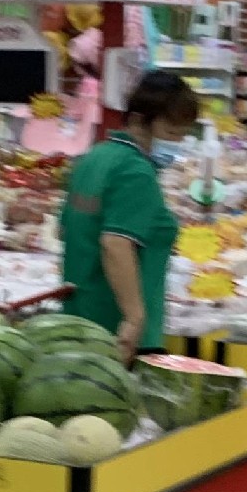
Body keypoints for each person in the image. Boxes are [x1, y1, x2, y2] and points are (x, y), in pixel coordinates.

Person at [58, 68, 199, 360]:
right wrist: (134, 318)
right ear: (137, 121)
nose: (176, 143)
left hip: (79, 315)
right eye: (170, 133)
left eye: (182, 134)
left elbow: (65, 229)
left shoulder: (94, 157)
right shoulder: (136, 171)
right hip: (117, 328)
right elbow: (115, 243)